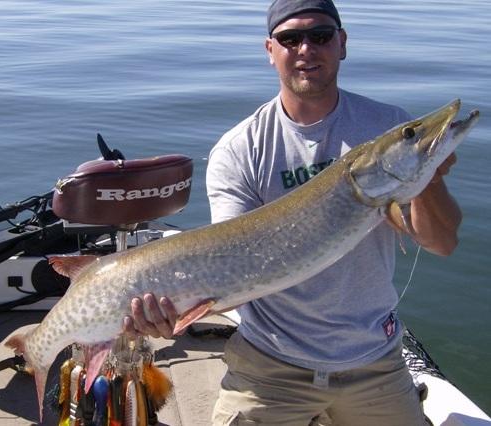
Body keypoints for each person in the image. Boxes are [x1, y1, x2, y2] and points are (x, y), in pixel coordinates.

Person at [123, 0, 462, 424]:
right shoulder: (240, 150)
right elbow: (230, 264)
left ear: (342, 43)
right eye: (290, 38)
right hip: (270, 365)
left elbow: (442, 242)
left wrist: (426, 176)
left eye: (320, 35)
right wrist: (166, 313)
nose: (306, 48)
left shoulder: (386, 125)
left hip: (373, 359)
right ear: (270, 50)